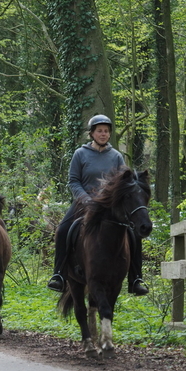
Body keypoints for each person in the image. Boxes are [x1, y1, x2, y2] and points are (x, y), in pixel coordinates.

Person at [46, 114, 149, 296]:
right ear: (92, 133)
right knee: (63, 229)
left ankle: (136, 279)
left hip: (110, 207)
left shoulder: (116, 156)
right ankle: (59, 274)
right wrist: (85, 199)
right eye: (100, 131)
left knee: (133, 235)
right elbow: (73, 181)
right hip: (83, 203)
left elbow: (124, 183)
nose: (103, 134)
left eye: (106, 131)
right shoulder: (80, 154)